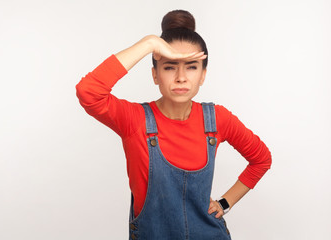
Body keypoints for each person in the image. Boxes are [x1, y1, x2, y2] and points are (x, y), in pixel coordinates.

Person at [76, 9, 271, 240]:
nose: (180, 77)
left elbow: (261, 159)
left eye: (191, 66)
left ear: (203, 75)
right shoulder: (134, 120)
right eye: (169, 66)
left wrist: (225, 202)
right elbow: (88, 92)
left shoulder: (217, 119)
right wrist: (149, 44)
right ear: (155, 75)